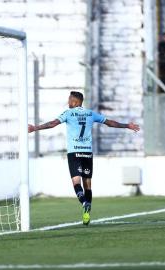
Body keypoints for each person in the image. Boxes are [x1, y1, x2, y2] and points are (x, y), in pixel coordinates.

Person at [28, 91, 140, 225]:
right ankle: (87, 213)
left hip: (74, 152)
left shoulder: (68, 113)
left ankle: (84, 202)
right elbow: (110, 123)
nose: (68, 102)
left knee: (76, 182)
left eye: (69, 100)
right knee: (88, 185)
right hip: (87, 152)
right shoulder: (90, 113)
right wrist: (127, 125)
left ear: (75, 102)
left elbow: (52, 124)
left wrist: (35, 128)